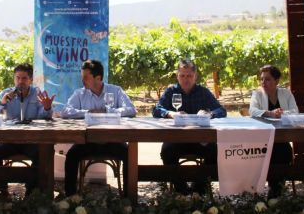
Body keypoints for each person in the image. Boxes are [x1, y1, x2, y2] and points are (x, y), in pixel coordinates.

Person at [62, 59, 136, 196]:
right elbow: (65, 111)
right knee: (72, 155)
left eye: (86, 77)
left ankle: (128, 197)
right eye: (82, 77)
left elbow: (131, 110)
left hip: (113, 141)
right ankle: (70, 198)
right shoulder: (80, 93)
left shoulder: (115, 90)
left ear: (98, 78)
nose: (82, 81)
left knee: (129, 155)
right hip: (87, 141)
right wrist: (88, 113)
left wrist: (108, 112)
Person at [153, 59, 226, 194]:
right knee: (167, 151)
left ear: (195, 76)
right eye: (182, 76)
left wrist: (209, 114)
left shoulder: (203, 92)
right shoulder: (171, 92)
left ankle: (198, 190)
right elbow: (156, 110)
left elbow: (221, 111)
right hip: (177, 139)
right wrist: (171, 113)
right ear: (177, 75)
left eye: (189, 76)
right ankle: (182, 192)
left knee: (216, 151)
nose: (185, 79)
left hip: (200, 140)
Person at [0, 63, 54, 196]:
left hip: (31, 140)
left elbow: (44, 117)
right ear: (14, 79)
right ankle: (1, 193)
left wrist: (46, 108)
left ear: (31, 80)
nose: (20, 82)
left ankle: (31, 194)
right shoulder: (6, 93)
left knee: (41, 153)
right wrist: (3, 102)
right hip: (10, 140)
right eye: (18, 78)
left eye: (24, 78)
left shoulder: (37, 93)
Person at [249, 64, 297, 198]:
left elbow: (295, 111)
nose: (263, 82)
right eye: (262, 79)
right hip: (262, 139)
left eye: (268, 79)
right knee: (268, 152)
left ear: (277, 81)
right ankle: (273, 189)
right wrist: (269, 113)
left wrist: (282, 113)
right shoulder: (257, 94)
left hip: (281, 138)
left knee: (284, 151)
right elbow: (252, 111)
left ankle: (276, 188)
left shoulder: (286, 93)